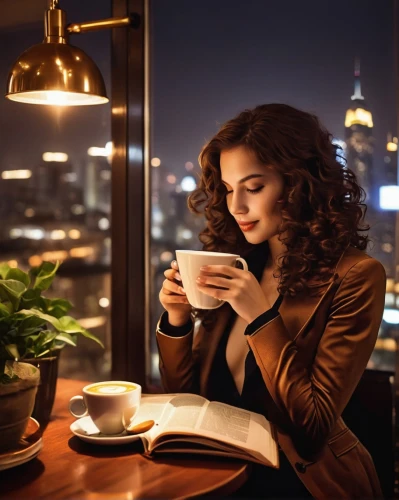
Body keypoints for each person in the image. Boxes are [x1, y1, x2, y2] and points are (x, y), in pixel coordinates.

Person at [156, 103, 385, 498]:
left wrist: (259, 316)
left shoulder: (356, 276)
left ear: (299, 184)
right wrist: (177, 320)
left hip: (301, 485)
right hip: (218, 479)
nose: (236, 207)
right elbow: (190, 403)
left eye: (254, 187)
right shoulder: (239, 264)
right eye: (228, 190)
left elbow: (311, 429)